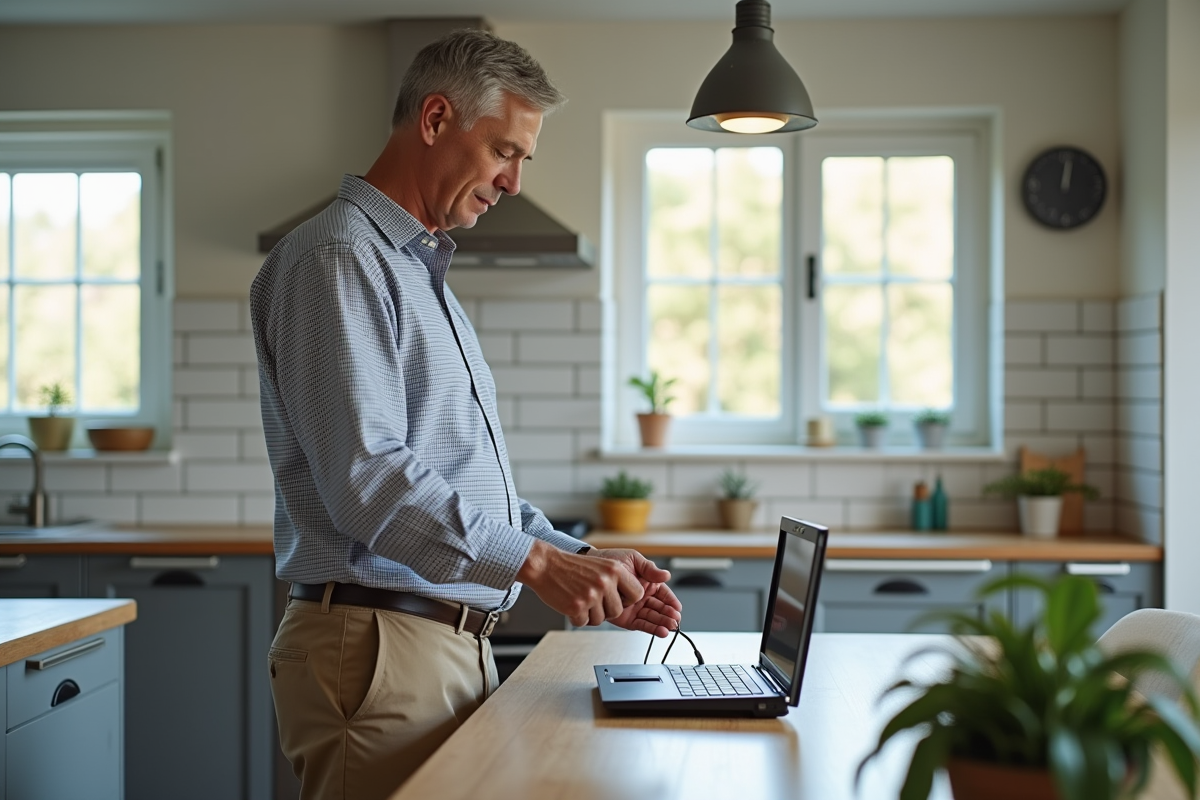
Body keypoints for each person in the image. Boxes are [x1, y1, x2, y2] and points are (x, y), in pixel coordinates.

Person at [250, 28, 683, 800]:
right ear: (436, 119)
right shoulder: (339, 258)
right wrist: (542, 567)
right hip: (379, 646)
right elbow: (370, 479)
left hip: (431, 645)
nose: (513, 182)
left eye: (522, 161)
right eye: (504, 152)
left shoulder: (418, 274)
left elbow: (473, 492)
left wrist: (584, 561)